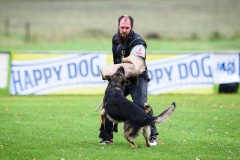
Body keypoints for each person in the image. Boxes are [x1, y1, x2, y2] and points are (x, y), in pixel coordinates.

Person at [99, 15, 159, 146]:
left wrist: (116, 67)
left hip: (137, 78)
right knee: (109, 102)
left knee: (140, 103)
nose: (124, 30)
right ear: (118, 26)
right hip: (120, 79)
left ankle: (153, 134)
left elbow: (136, 65)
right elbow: (116, 60)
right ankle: (106, 137)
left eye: (127, 28)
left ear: (132, 27)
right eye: (122, 27)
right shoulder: (115, 38)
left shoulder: (138, 42)